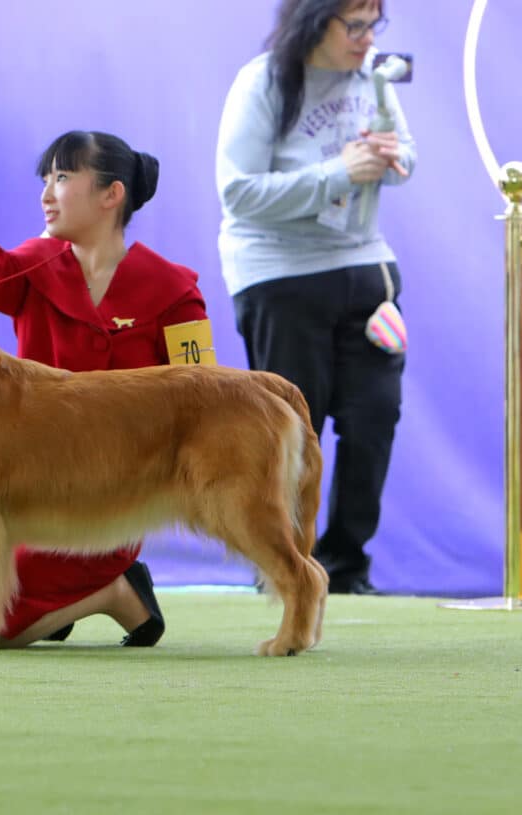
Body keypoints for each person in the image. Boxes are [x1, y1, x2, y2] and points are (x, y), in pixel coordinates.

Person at [0, 130, 208, 647]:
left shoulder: (175, 289)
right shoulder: (36, 266)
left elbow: (204, 388)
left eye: (62, 177)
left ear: (112, 194)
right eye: (45, 179)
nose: (46, 193)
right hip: (31, 509)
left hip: (108, 507)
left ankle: (112, 587)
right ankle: (84, 601)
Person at [215, 0, 415, 594]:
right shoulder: (264, 81)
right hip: (279, 273)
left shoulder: (374, 74)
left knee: (375, 418)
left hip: (365, 266)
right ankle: (283, 566)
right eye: (353, 25)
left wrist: (391, 158)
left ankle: (347, 568)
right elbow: (238, 192)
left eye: (373, 24)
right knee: (291, 431)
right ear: (312, 21)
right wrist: (336, 172)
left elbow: (406, 152)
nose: (366, 37)